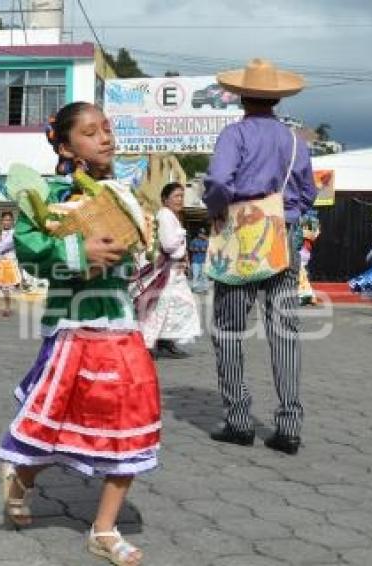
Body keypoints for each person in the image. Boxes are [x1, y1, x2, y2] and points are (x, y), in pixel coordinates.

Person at [0, 102, 160, 566]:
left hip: (121, 324)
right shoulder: (45, 194)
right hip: (73, 326)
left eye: (107, 129)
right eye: (90, 132)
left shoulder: (124, 192)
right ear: (66, 145)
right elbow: (30, 251)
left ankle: (104, 530)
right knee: (59, 423)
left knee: (131, 418)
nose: (105, 137)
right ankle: (21, 479)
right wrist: (78, 247)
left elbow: (132, 256)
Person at [202, 59, 317, 455]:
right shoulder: (295, 141)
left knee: (230, 329)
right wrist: (287, 213)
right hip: (283, 236)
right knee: (285, 330)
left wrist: (218, 206)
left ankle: (238, 420)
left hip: (241, 236)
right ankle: (289, 426)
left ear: (240, 97)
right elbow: (307, 194)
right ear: (277, 99)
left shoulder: (234, 134)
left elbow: (218, 180)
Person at [133, 182, 202, 358]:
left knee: (175, 306)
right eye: (176, 196)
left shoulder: (172, 216)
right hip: (167, 272)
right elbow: (169, 244)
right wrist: (182, 235)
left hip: (174, 271)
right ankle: (148, 344)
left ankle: (166, 341)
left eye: (181, 196)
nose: (180, 200)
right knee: (159, 308)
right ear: (165, 199)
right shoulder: (165, 215)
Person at [188, 227, 210, 293]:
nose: (202, 235)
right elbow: (190, 248)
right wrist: (195, 249)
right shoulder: (194, 241)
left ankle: (205, 288)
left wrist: (206, 250)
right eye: (200, 233)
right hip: (195, 261)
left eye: (203, 233)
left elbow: (211, 250)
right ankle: (194, 287)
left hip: (204, 261)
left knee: (204, 275)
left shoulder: (207, 241)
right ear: (198, 234)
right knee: (195, 275)